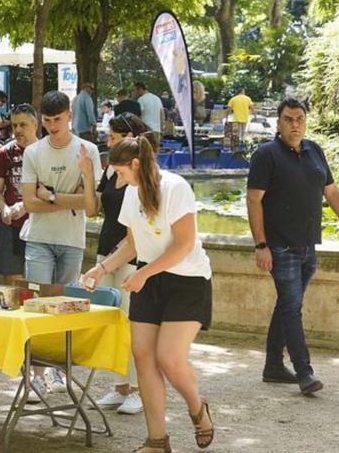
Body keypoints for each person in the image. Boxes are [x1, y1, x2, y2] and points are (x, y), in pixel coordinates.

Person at [81, 134, 215, 453]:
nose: (118, 179)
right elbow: (131, 244)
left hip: (187, 279)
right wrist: (101, 269)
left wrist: (143, 273)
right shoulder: (131, 192)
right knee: (143, 357)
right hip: (150, 278)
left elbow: (183, 245)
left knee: (168, 358)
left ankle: (197, 408)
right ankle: (157, 441)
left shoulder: (175, 187)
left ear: (136, 164)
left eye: (122, 172)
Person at [247, 98, 339, 395]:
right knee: (291, 308)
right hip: (279, 246)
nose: (295, 124)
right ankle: (305, 372)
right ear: (279, 122)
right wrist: (261, 244)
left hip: (308, 246)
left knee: (287, 305)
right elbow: (253, 200)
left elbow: (332, 190)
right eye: (289, 119)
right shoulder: (266, 154)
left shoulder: (315, 150)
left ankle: (273, 366)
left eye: (300, 118)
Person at [21, 91, 102, 394]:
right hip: (39, 237)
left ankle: (57, 370)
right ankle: (35, 373)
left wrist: (51, 196)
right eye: (47, 120)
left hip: (71, 240)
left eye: (58, 119)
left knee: (65, 307)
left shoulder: (88, 150)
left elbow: (92, 205)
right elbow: (29, 202)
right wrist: (71, 200)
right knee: (37, 306)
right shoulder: (33, 152)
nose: (53, 126)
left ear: (69, 116)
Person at [83, 112, 151, 415]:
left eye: (113, 138)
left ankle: (138, 389)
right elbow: (92, 210)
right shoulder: (112, 172)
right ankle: (120, 386)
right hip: (106, 252)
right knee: (112, 324)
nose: (108, 144)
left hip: (131, 258)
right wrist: (87, 173)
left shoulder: (140, 178)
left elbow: (135, 236)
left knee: (132, 324)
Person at [0, 104, 38, 284]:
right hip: (11, 225)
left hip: (38, 225)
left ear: (34, 124)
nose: (17, 130)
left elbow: (51, 191)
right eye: (14, 125)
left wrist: (26, 207)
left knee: (38, 281)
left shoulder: (45, 151)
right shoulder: (5, 153)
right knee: (12, 279)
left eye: (23, 125)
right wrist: (4, 209)